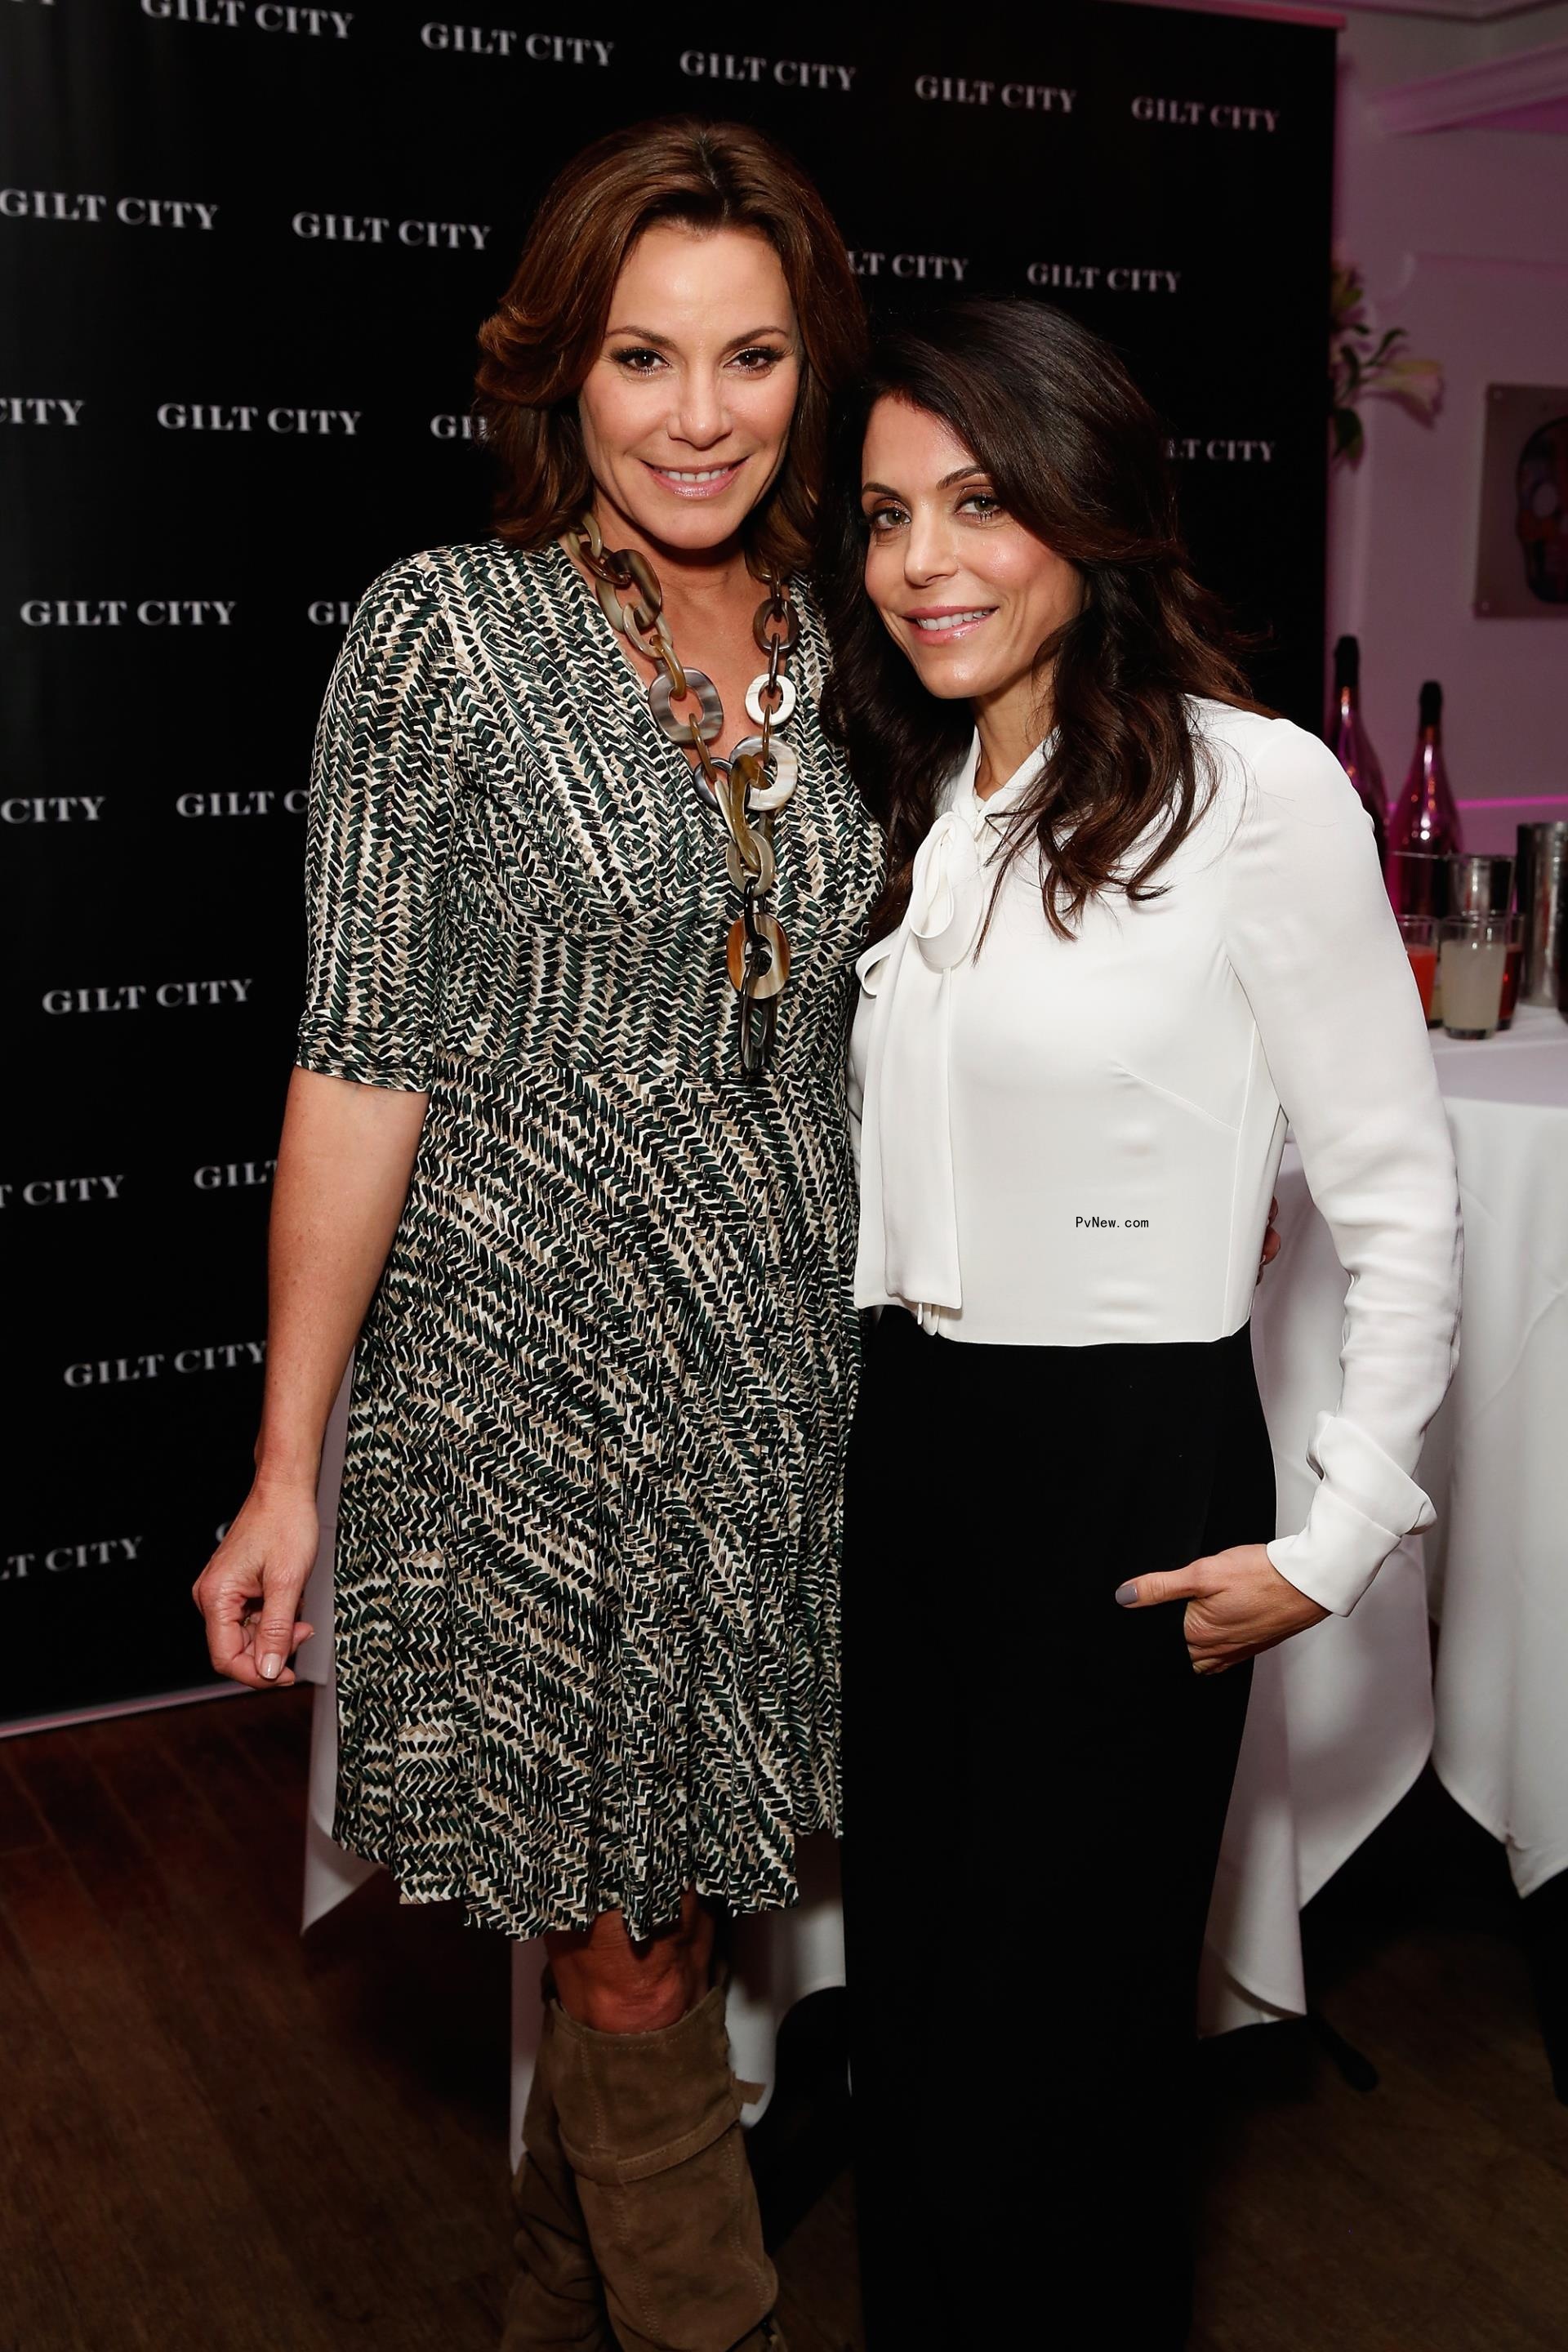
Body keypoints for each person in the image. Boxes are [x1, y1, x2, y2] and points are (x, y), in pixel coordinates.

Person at [191, 118, 883, 2352]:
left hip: (780, 1378)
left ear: (811, 371)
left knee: (661, 1900)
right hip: (526, 1381)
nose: (698, 413)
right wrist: (290, 1462)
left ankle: (547, 2318)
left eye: (752, 356)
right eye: (642, 357)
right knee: (625, 1937)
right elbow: (357, 1062)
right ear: (559, 373)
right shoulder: (446, 637)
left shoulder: (866, 637)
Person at [822, 301, 1463, 2347]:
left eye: (980, 504)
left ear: (1089, 516)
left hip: (1121, 1479)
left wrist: (1343, 1531)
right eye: (886, 515)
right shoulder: (920, 798)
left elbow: (1398, 1200)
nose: (925, 561)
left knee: (1061, 2074)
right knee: (910, 2037)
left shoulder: (1252, 790)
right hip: (908, 1456)